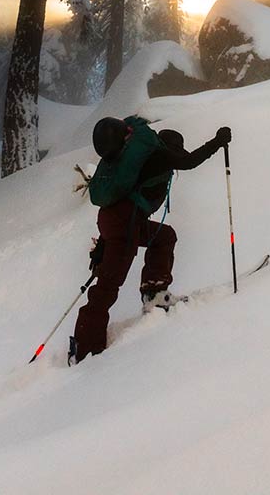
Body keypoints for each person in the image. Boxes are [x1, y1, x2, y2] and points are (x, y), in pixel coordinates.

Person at [70, 117, 232, 364]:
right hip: (125, 224)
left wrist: (105, 243)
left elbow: (118, 201)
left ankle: (155, 295)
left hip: (115, 220)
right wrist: (218, 142)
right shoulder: (160, 156)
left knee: (165, 237)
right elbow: (189, 161)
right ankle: (85, 347)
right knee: (109, 283)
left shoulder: (136, 157)